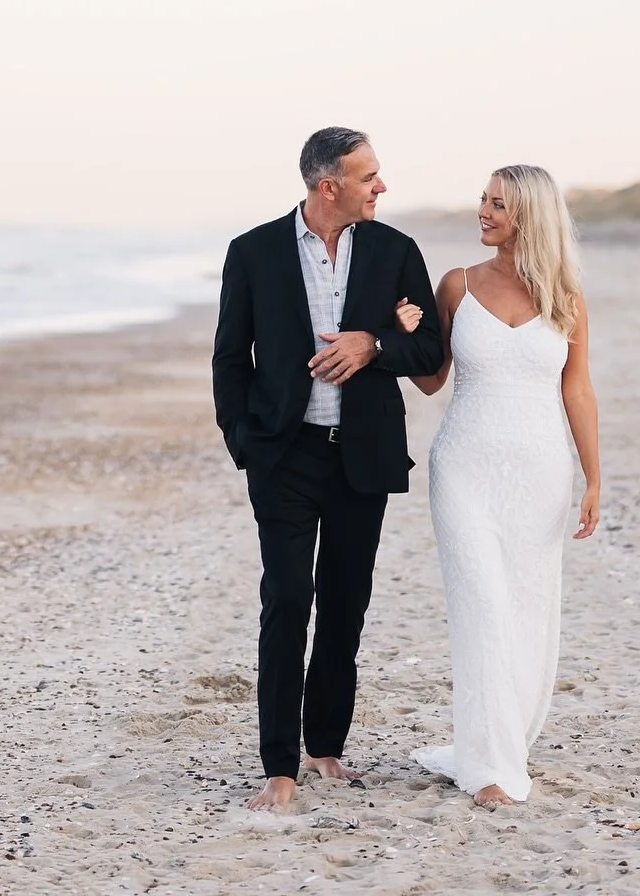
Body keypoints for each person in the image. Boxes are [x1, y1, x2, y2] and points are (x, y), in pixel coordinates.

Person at [212, 128, 444, 812]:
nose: (382, 186)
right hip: (285, 453)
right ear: (328, 184)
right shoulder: (253, 252)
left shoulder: (396, 250)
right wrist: (246, 442)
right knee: (287, 597)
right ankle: (279, 765)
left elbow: (429, 348)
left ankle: (326, 746)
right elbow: (230, 359)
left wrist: (373, 343)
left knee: (346, 600)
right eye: (369, 175)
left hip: (362, 452)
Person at [403, 164, 601, 807]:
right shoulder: (456, 285)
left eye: (497, 205)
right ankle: (490, 768)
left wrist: (595, 476)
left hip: (541, 471)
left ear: (529, 217)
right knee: (483, 605)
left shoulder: (566, 300)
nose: (482, 212)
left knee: (525, 610)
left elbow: (577, 388)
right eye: (483, 200)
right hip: (463, 468)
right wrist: (408, 340)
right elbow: (433, 380)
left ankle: (501, 740)